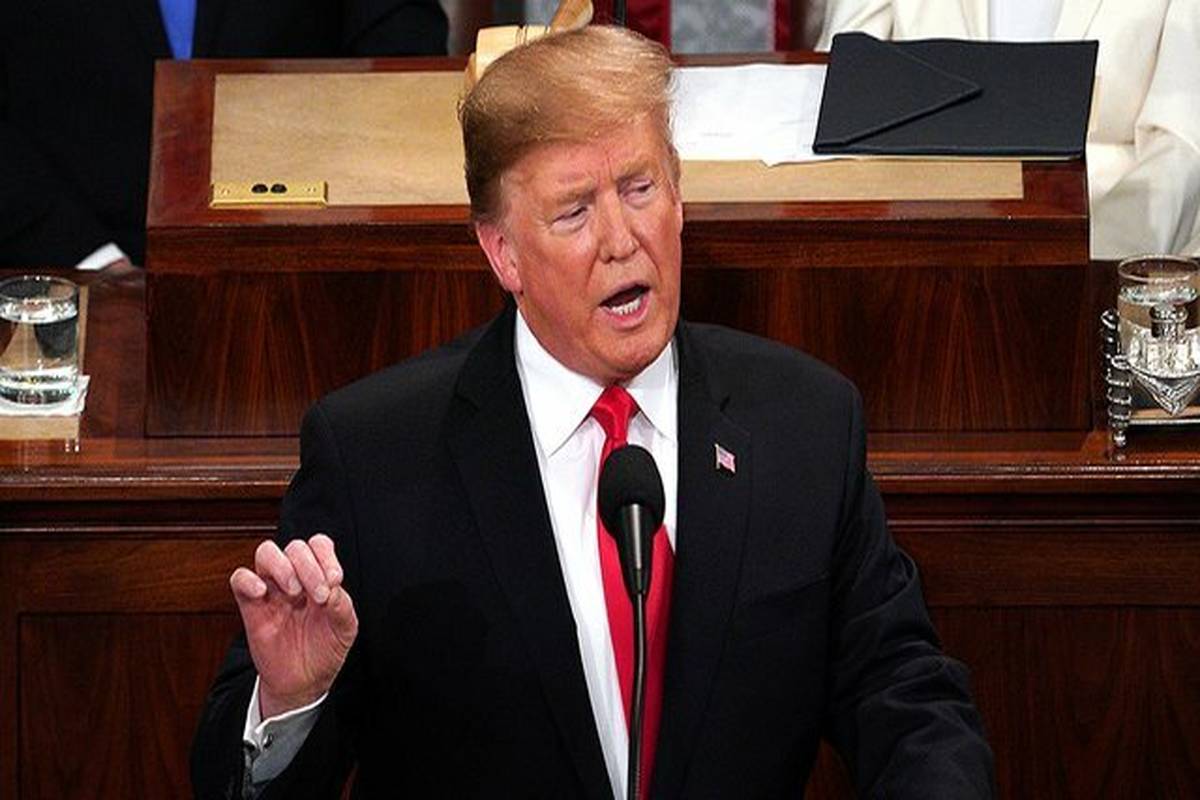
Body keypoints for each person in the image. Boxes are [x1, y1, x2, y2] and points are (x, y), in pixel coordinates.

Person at [191, 25, 994, 799]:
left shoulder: (805, 423)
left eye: (640, 189)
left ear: (678, 197)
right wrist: (292, 703)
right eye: (574, 211)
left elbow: (904, 696)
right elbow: (232, 778)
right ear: (503, 252)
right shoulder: (376, 457)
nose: (621, 239)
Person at [0, 0, 448, 270]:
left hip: (309, 254)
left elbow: (404, 55)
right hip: (59, 270)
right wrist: (93, 262)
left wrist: (342, 242)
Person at [817, 0, 1200, 260]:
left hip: (1100, 248)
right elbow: (839, 91)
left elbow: (1181, 150)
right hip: (916, 245)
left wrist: (1088, 260)